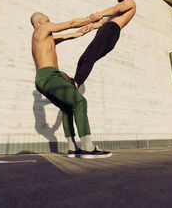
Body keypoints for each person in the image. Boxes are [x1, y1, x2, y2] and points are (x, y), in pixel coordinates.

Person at [31, 12, 112, 159]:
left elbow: (75, 33)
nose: (51, 22)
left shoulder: (43, 40)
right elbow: (72, 23)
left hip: (42, 79)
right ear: (41, 21)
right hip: (49, 76)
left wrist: (95, 26)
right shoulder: (41, 28)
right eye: (49, 20)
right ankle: (88, 148)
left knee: (67, 108)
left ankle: (72, 148)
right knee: (80, 101)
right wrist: (93, 17)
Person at [72, 0, 137, 88]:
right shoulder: (115, 14)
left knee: (90, 56)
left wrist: (99, 14)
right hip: (106, 29)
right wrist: (88, 28)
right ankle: (75, 83)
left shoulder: (130, 2)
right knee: (84, 57)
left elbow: (116, 9)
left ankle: (76, 83)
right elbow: (102, 22)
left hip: (111, 30)